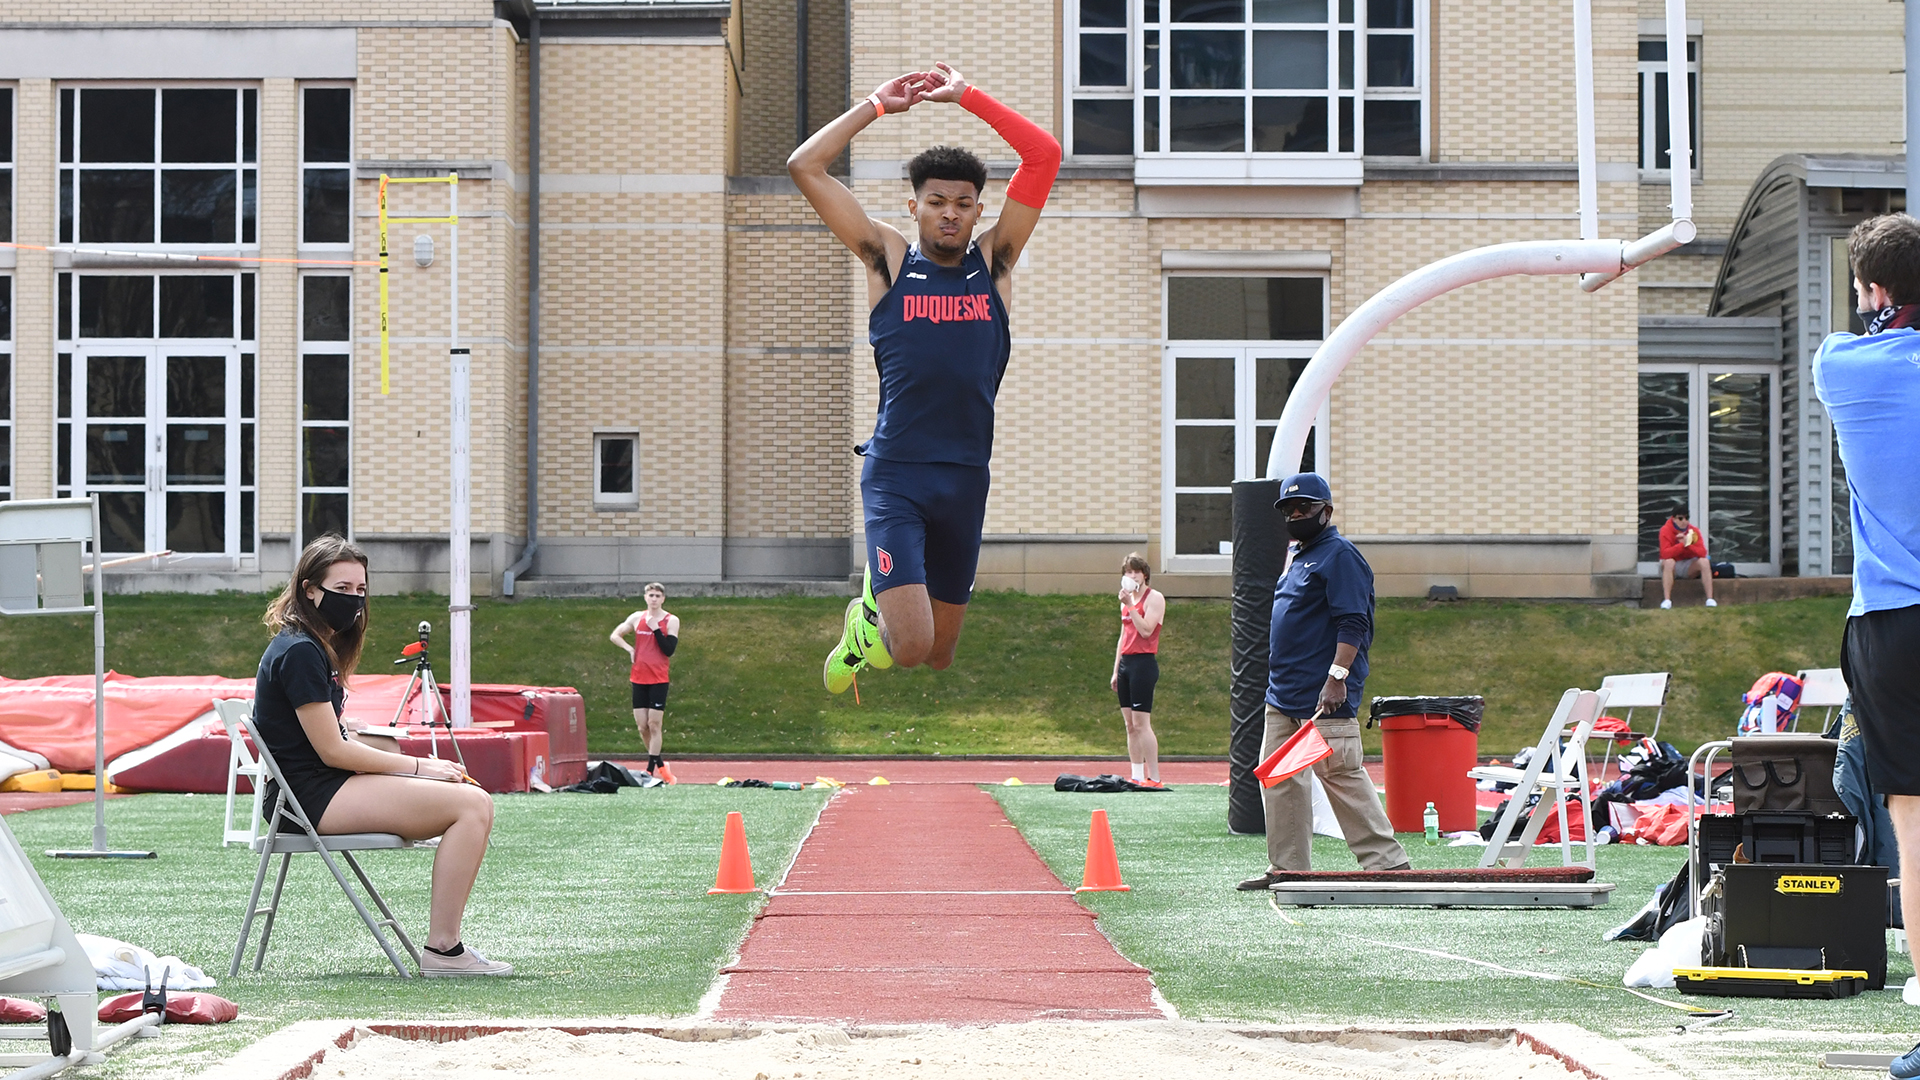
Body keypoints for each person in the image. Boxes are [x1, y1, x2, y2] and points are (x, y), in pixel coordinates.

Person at [787, 61, 1060, 694]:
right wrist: (875, 107)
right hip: (899, 475)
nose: (950, 214)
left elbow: (1044, 154)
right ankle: (867, 626)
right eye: (936, 202)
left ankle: (878, 621)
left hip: (965, 476)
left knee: (940, 655)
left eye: (963, 204)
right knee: (909, 649)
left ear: (976, 210)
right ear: (914, 206)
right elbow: (806, 166)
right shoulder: (886, 259)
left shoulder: (995, 262)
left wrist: (966, 95)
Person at [253, 535, 509, 976]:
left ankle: (445, 948)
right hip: (306, 800)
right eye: (343, 589)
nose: (354, 600)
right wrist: (421, 765)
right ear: (310, 589)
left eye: (360, 590)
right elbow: (332, 751)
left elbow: (334, 740)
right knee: (470, 805)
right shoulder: (298, 651)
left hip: (322, 788)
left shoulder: (312, 646)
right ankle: (444, 950)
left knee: (475, 801)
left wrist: (393, 755)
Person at [1812, 213, 1920, 1075]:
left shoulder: (1843, 366)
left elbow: (1860, 330)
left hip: (1894, 624)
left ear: (1876, 295)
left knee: (1916, 826)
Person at [1239, 472, 1409, 892]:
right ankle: (1290, 870)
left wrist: (1337, 678)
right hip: (1282, 696)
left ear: (1326, 511)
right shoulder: (1300, 556)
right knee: (1280, 780)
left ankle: (1388, 866)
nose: (1296, 514)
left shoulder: (1340, 555)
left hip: (1324, 697)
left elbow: (1354, 622)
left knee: (1340, 774)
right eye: (1289, 509)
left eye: (1306, 507)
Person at [611, 583, 679, 782]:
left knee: (654, 724)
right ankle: (661, 764)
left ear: (663, 599)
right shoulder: (636, 617)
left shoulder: (671, 620)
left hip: (658, 678)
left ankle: (649, 770)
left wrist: (656, 629)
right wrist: (629, 649)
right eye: (651, 595)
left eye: (658, 595)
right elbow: (615, 635)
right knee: (642, 727)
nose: (654, 599)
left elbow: (669, 650)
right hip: (639, 677)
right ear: (645, 597)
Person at [1109, 553, 1165, 788]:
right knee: (1130, 725)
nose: (1131, 576)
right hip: (1127, 665)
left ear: (1144, 575)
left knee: (1142, 723)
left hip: (1143, 663)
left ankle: (1155, 777)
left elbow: (1146, 631)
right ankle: (1137, 774)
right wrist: (1115, 670)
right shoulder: (1126, 600)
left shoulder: (1155, 598)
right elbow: (1124, 636)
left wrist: (1132, 606)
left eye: (1135, 572)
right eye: (1128, 572)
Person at [1656, 507, 1717, 609]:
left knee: (1705, 562)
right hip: (1673, 565)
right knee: (1669, 562)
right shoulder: (1665, 530)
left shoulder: (1694, 531)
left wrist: (1688, 544)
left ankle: (1710, 599)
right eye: (1680, 518)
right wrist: (1680, 545)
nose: (1684, 522)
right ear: (1673, 518)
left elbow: (1702, 552)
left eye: (1686, 518)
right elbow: (1665, 554)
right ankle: (1667, 600)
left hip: (1689, 565)